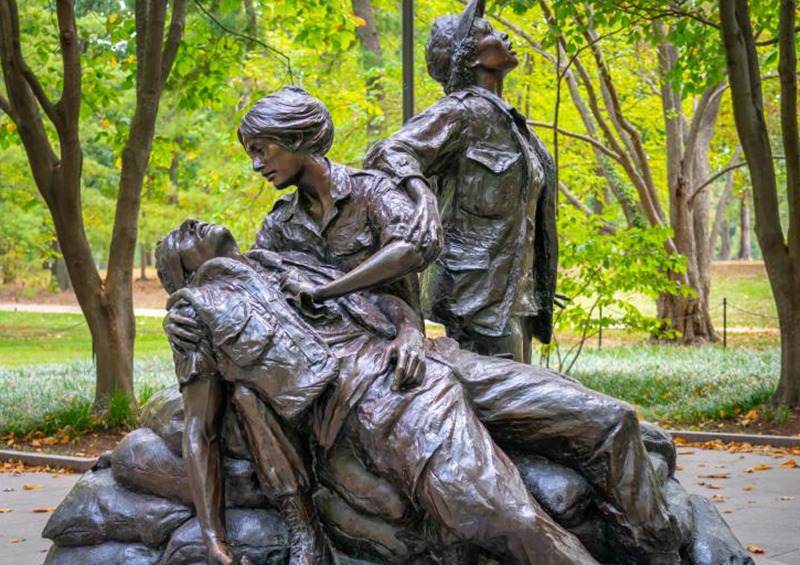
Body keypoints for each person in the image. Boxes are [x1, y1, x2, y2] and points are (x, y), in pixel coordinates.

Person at [168, 86, 682, 564]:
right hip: (384, 386)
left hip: (428, 353)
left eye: (264, 149)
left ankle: (657, 551)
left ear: (300, 139)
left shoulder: (372, 191)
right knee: (492, 507)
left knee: (611, 420)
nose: (257, 165)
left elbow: (415, 248)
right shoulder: (276, 232)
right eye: (251, 152)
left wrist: (390, 320)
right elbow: (260, 353)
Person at [156, 219, 599, 565]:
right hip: (382, 400)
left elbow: (379, 301)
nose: (191, 225)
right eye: (179, 238)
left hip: (432, 361)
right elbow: (201, 432)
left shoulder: (282, 261)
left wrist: (407, 332)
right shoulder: (197, 312)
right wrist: (214, 537)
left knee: (603, 419)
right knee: (505, 515)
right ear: (185, 275)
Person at [365, 0, 557, 363]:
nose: (502, 34)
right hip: (478, 298)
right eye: (487, 32)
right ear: (469, 57)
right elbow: (387, 152)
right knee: (499, 409)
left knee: (521, 408)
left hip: (517, 295)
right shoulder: (460, 111)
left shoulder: (515, 126)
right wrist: (421, 194)